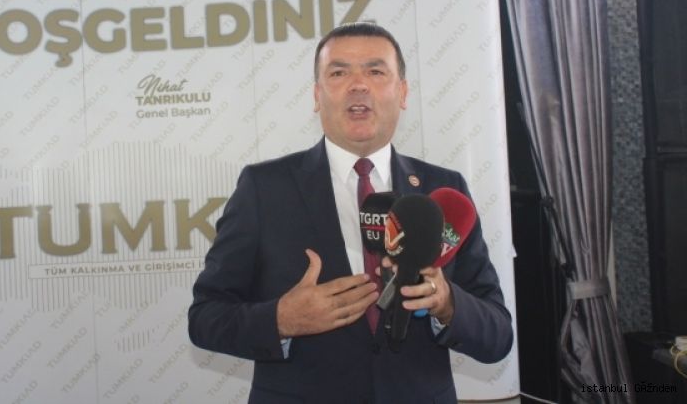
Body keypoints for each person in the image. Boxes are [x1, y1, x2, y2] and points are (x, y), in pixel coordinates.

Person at [188, 22, 513, 403]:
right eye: (339, 73)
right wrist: (281, 319)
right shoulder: (264, 188)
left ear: (403, 92)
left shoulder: (443, 190)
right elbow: (205, 318)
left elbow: (498, 335)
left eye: (375, 71)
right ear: (317, 95)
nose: (358, 85)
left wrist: (447, 302)